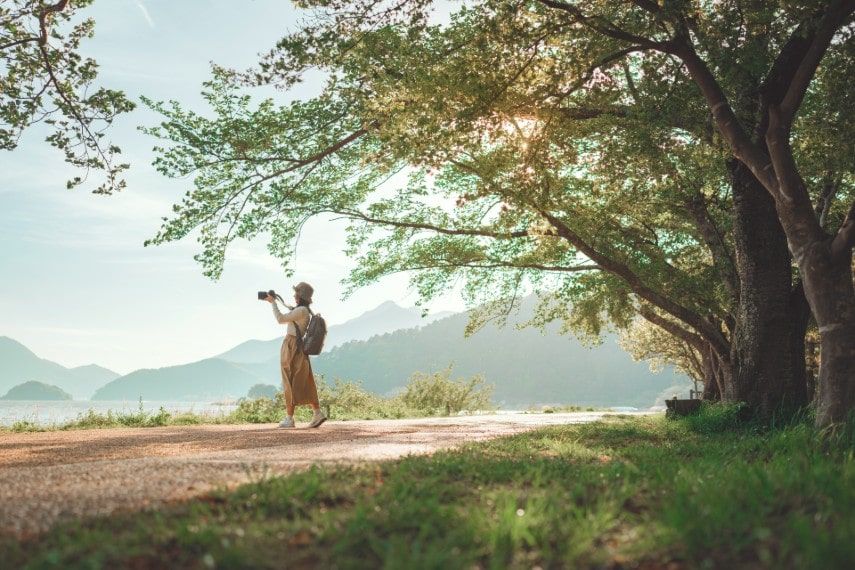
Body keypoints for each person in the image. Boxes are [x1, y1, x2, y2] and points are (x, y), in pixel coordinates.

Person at [265, 282, 326, 428]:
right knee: (305, 379)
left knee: (289, 378)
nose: (294, 295)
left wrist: (273, 303)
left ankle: (289, 418)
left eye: (296, 293)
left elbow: (280, 319)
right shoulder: (303, 310)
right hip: (298, 347)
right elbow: (292, 313)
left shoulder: (301, 311)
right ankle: (317, 413)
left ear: (300, 296)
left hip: (291, 345)